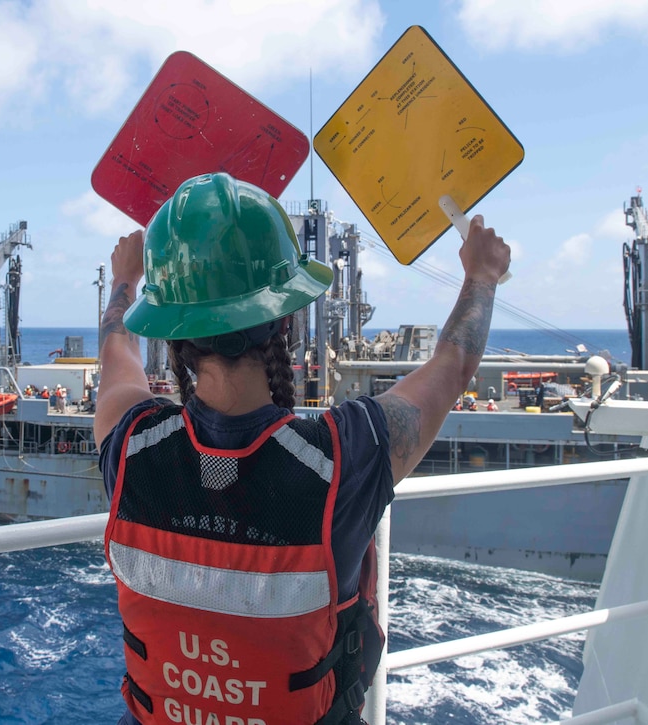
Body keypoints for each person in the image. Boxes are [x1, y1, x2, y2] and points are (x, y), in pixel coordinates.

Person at [95, 173, 509, 725]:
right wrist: (483, 275)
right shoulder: (343, 459)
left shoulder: (129, 449)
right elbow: (453, 365)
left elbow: (114, 348)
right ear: (286, 319)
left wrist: (127, 278)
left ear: (173, 332)